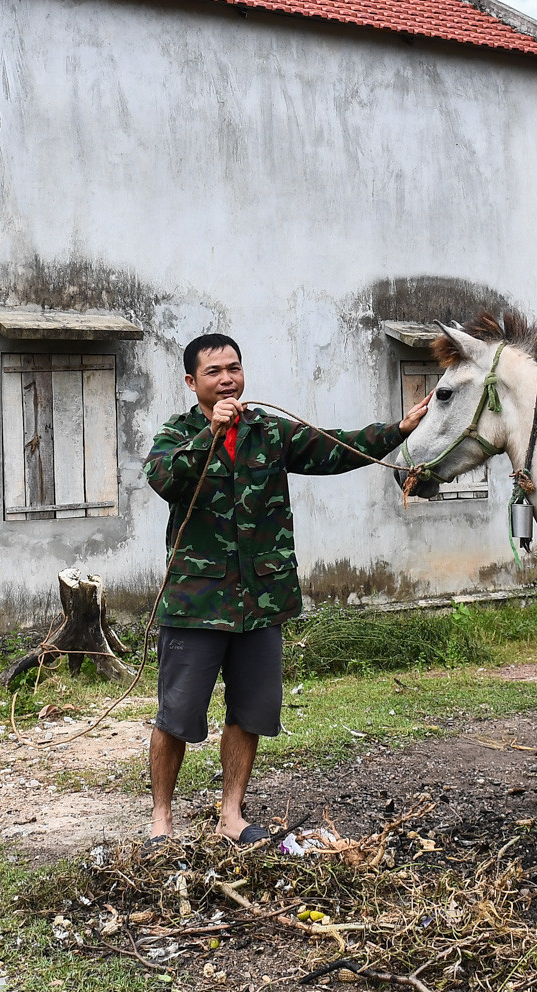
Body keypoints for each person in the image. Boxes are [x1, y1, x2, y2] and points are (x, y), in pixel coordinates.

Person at [143, 333, 429, 842]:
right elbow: (164, 479)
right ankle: (161, 821)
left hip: (261, 601)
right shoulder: (178, 433)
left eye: (234, 367)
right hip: (196, 603)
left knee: (249, 710)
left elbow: (334, 449)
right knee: (177, 715)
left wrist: (399, 430)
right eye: (214, 371)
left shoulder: (268, 431)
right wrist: (210, 434)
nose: (227, 378)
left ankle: (231, 815)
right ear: (192, 382)